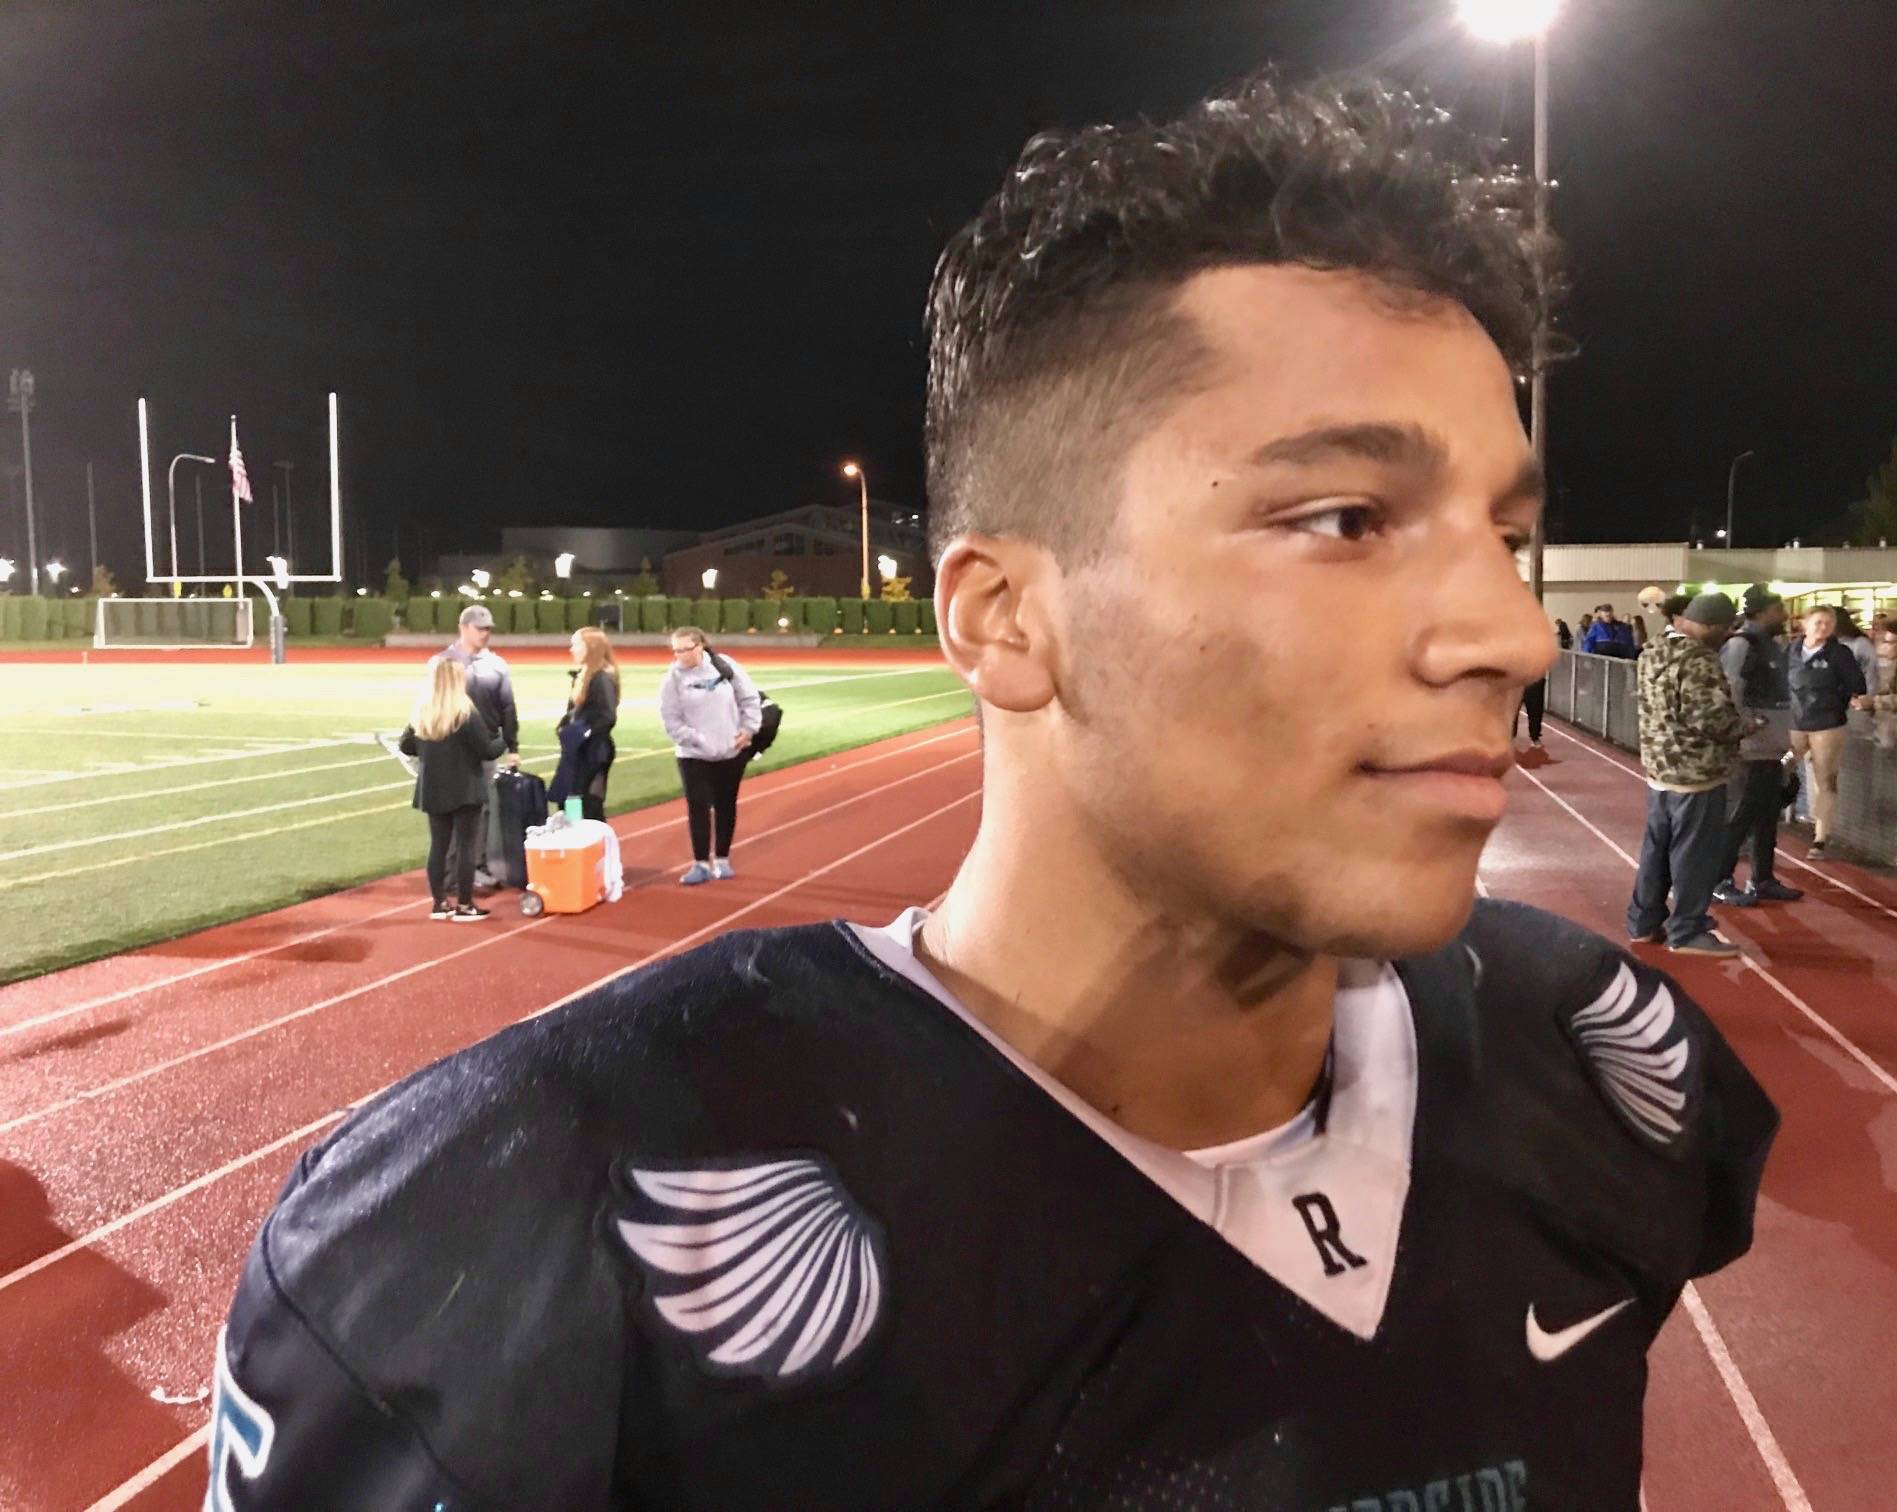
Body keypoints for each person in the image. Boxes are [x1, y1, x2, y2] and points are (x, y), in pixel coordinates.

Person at [209, 77, 1775, 1510]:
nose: (1510, 633)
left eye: (1504, 534)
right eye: (1348, 517)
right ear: (1003, 619)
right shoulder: (520, 1230)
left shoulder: (1598, 1072)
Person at [1628, 592, 1748, 955]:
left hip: (1660, 768)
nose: (1727, 636)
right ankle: (1687, 930)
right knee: (1694, 855)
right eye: (1725, 630)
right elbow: (1710, 719)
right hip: (1696, 772)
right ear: (1712, 626)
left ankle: (1644, 922)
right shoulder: (1698, 660)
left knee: (1657, 850)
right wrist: (1746, 726)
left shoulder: (1653, 650)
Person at [397, 657, 505, 922]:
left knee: (439, 846)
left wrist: (429, 750)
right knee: (466, 847)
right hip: (465, 787)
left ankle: (439, 902)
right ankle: (466, 905)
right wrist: (504, 739)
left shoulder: (423, 712)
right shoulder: (465, 714)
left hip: (434, 788)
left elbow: (406, 745)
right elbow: (486, 750)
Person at [1713, 589, 1801, 907]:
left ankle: (1762, 878)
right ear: (1763, 612)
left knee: (1766, 817)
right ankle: (1719, 880)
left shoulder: (1769, 646)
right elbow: (1730, 689)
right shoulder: (1741, 645)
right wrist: (1742, 728)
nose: (1785, 614)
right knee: (1738, 816)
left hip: (1771, 748)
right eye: (1779, 609)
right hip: (1750, 749)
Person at [658, 625, 760, 884]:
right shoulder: (672, 679)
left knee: (726, 805)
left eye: (686, 649)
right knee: (698, 807)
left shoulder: (724, 666)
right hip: (693, 755)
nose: (680, 655)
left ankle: (723, 858)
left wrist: (748, 730)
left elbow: (749, 698)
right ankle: (701, 863)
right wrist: (696, 740)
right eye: (676, 650)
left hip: (730, 751)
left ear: (700, 645)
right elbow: (670, 719)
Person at [437, 604, 521, 889]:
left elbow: (507, 707)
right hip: (451, 749)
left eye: (488, 629)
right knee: (450, 809)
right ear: (464, 627)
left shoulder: (497, 664)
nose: (485, 634)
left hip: (484, 746)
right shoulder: (443, 662)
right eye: (480, 628)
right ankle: (449, 873)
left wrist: (513, 745)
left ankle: (476, 866)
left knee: (481, 808)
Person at [1785, 605, 1866, 860]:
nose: (1823, 628)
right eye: (1818, 622)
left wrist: (1839, 700)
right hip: (1793, 722)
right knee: (1777, 770)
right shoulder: (1790, 651)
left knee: (1825, 780)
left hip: (1827, 724)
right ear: (1805, 624)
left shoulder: (1840, 654)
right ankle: (1764, 820)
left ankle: (1820, 837)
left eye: (1828, 623)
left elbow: (1857, 685)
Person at [552, 627, 620, 822]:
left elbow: (607, 716)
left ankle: (596, 847)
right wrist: (564, 726)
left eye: (576, 644)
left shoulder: (600, 678)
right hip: (581, 749)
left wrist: (583, 733)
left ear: (590, 647)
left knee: (588, 803)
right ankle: (580, 840)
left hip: (593, 750)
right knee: (571, 799)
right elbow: (575, 712)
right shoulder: (586, 675)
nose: (571, 649)